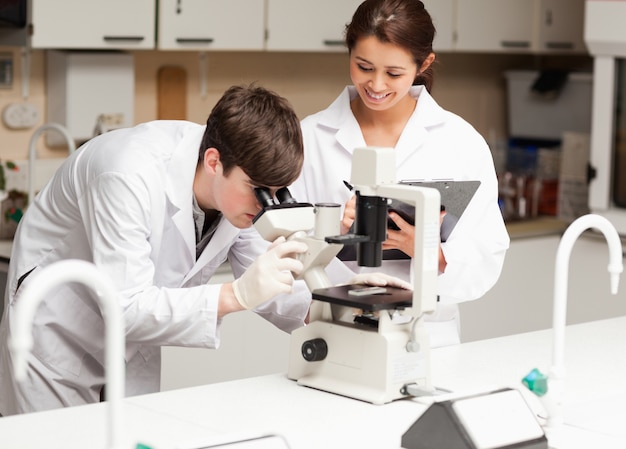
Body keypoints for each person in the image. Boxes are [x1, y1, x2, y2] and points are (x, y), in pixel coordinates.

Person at [0, 84, 408, 416]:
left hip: (134, 339)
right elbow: (123, 306)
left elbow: (273, 284)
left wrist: (346, 302)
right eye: (259, 191)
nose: (268, 202)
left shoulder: (236, 196)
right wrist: (236, 295)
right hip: (59, 328)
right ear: (214, 162)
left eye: (276, 193)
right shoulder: (125, 173)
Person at [289, 0, 510, 347]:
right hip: (333, 329)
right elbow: (274, 248)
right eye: (364, 67)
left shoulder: (461, 141)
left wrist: (428, 252)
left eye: (393, 74)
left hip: (426, 335)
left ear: (424, 64)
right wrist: (332, 230)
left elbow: (488, 253)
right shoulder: (309, 138)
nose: (376, 85)